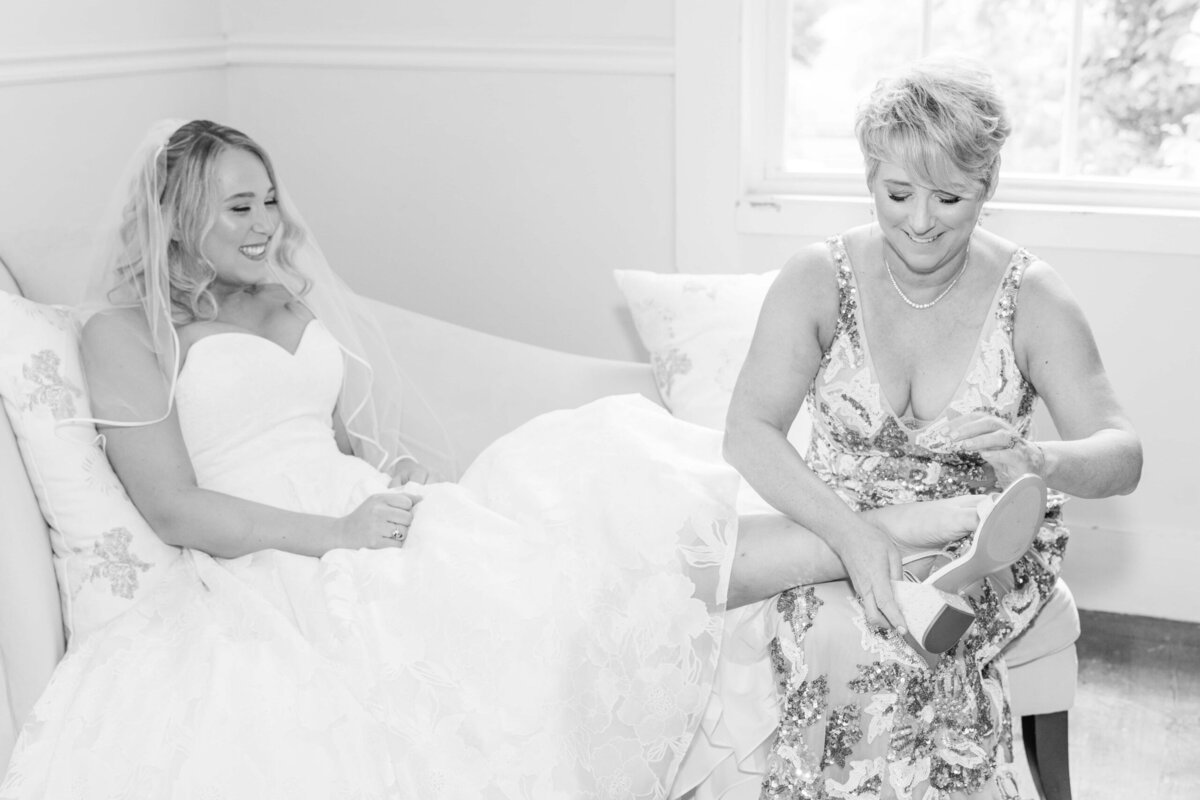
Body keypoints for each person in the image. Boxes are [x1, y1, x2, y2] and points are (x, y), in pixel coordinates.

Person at [0, 119, 1010, 799]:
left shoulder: (281, 300)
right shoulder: (125, 334)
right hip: (274, 561)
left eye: (269, 201)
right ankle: (890, 542)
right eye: (239, 208)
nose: (268, 225)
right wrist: (335, 533)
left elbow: (333, 442)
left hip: (368, 516)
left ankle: (875, 543)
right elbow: (175, 507)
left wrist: (380, 487)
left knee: (595, 482)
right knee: (580, 575)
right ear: (179, 215)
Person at [723, 56, 1142, 798]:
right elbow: (749, 430)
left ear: (988, 183)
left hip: (978, 542)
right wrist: (855, 538)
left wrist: (1040, 461)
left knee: (915, 633)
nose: (920, 221)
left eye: (949, 196)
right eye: (898, 193)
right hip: (838, 521)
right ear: (869, 176)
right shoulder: (818, 277)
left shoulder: (1031, 295)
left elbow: (1123, 454)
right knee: (834, 630)